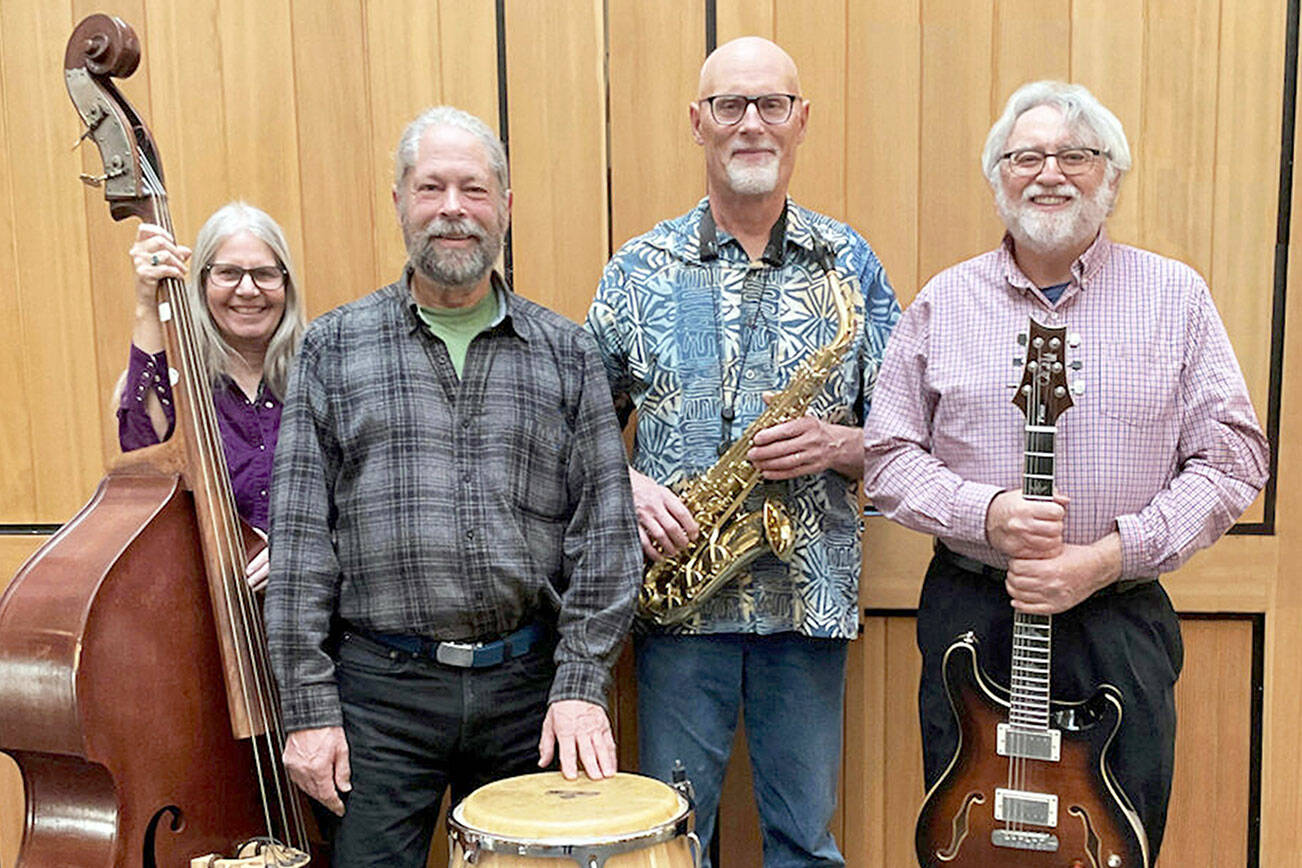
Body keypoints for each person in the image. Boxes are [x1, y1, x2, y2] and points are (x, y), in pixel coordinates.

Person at [862, 80, 1269, 859]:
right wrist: (985, 513)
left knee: (1114, 844)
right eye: (1026, 156)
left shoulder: (1174, 299)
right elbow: (885, 458)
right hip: (973, 621)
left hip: (1116, 620)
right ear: (998, 178)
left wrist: (1108, 557)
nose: (1049, 173)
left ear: (1111, 177)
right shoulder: (945, 303)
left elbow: (1233, 457)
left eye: (1076, 155)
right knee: (968, 844)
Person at [265, 105, 641, 867]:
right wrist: (306, 709)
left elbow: (606, 533)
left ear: (505, 206)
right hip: (378, 695)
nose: (452, 210)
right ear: (398, 202)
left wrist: (580, 683)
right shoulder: (333, 348)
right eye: (431, 188)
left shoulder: (566, 353)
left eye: (473, 190)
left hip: (529, 696)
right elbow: (302, 545)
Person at [585, 37, 900, 866]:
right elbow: (569, 435)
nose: (751, 123)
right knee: (671, 844)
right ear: (699, 123)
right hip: (678, 608)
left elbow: (910, 441)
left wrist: (838, 443)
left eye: (771, 105)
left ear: (801, 122)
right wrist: (628, 484)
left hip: (808, 603)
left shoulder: (851, 265)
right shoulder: (636, 270)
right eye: (731, 105)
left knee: (804, 842)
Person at [119, 201, 306, 589]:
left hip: (310, 616)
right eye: (228, 273)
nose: (248, 289)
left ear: (285, 285)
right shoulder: (177, 386)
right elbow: (143, 461)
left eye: (265, 274)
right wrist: (146, 303)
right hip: (202, 609)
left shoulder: (320, 378)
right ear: (202, 283)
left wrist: (303, 547)